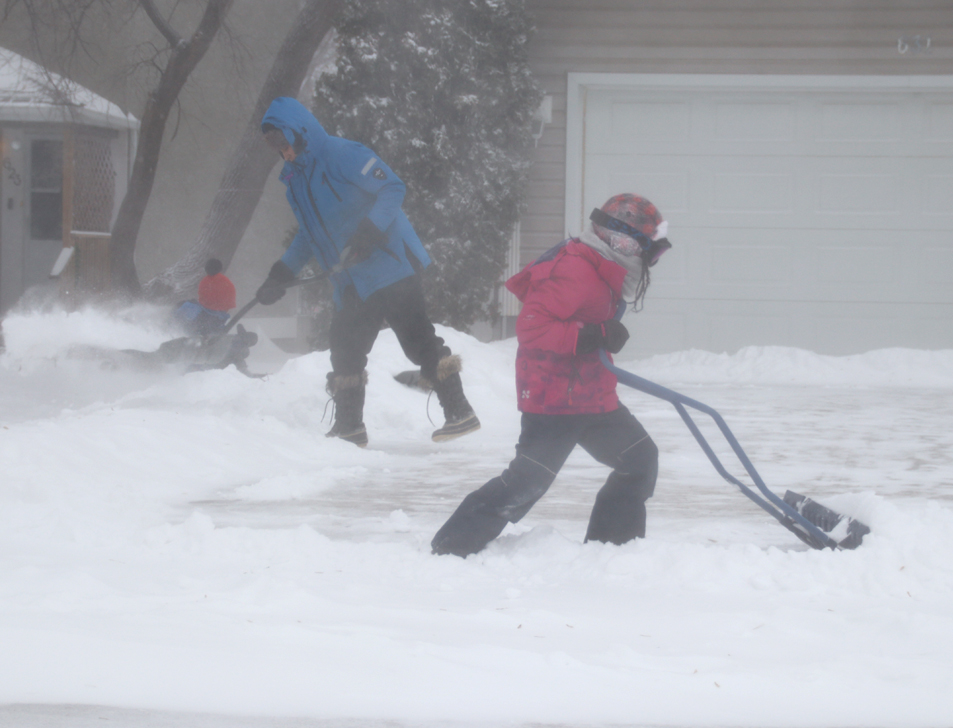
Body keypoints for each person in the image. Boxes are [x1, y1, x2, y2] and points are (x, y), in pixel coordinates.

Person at [431, 193, 672, 557]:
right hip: (554, 399)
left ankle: (611, 549)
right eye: (642, 246)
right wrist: (592, 335)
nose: (644, 257)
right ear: (620, 239)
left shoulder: (603, 265)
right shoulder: (575, 267)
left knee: (639, 460)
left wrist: (598, 333)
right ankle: (450, 548)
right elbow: (532, 328)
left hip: (592, 397)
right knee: (525, 483)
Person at [256, 97, 479, 448]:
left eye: (284, 142)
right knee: (344, 348)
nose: (283, 153)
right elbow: (307, 234)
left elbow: (392, 187)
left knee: (418, 341)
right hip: (350, 279)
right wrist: (282, 273)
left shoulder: (343, 154)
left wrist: (371, 230)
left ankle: (460, 411)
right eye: (275, 147)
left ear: (298, 131)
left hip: (390, 263)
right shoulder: (295, 181)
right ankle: (349, 429)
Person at [173, 258, 237, 336]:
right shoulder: (227, 282)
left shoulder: (206, 281)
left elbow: (203, 299)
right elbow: (228, 304)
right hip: (220, 315)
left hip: (207, 312)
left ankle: (172, 324)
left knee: (183, 306)